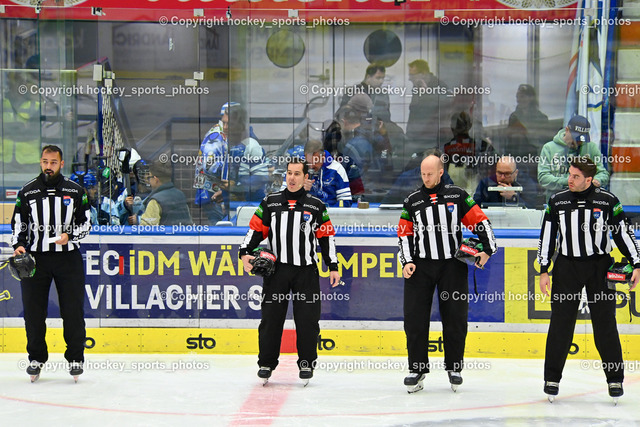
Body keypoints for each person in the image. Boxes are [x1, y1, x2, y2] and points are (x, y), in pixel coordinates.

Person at [537, 156, 640, 402]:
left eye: (576, 176)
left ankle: (615, 379)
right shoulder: (557, 201)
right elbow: (547, 236)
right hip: (566, 268)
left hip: (599, 267)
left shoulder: (608, 201)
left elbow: (623, 234)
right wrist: (544, 269)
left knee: (605, 324)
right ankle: (552, 379)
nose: (570, 180)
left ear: (589, 179)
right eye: (569, 174)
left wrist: (637, 262)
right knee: (560, 325)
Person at [397, 152, 497, 393]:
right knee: (414, 319)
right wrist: (407, 261)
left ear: (441, 172)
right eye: (423, 174)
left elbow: (480, 221)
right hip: (420, 267)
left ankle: (454, 367)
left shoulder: (457, 195)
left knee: (455, 318)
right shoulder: (412, 201)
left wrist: (488, 249)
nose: (426, 178)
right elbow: (404, 234)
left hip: (452, 266)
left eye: (430, 173)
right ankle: (417, 368)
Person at [239, 158, 341, 383]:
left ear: (306, 178)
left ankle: (306, 364)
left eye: (297, 174)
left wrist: (333, 266)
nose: (292, 178)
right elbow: (255, 230)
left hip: (306, 273)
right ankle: (266, 363)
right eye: (289, 173)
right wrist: (244, 251)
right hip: (277, 272)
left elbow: (326, 237)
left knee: (307, 321)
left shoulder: (316, 205)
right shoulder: (271, 202)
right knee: (271, 320)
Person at [10, 145, 92, 381]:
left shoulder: (76, 190)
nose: (48, 166)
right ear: (40, 162)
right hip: (36, 259)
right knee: (33, 312)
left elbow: (86, 222)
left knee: (72, 311)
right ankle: (36, 359)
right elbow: (18, 224)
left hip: (68, 258)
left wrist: (70, 236)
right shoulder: (27, 191)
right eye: (45, 162)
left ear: (61, 164)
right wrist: (19, 245)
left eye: (53, 162)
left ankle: (75, 358)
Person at [538, 115, 609, 203]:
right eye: (575, 138)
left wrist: (597, 180)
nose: (578, 142)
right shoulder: (549, 148)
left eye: (581, 140)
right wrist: (569, 181)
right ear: (567, 130)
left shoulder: (591, 148)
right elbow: (543, 178)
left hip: (586, 201)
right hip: (557, 201)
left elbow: (603, 173)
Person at [404, 59, 451, 162]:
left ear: (423, 74)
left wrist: (426, 93)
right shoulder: (417, 87)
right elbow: (414, 112)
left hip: (431, 139)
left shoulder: (439, 86)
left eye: (412, 75)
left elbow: (447, 103)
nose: (409, 78)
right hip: (415, 138)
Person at [193, 102, 231, 224]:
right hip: (212, 192)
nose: (226, 126)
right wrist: (231, 170)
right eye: (224, 122)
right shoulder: (216, 136)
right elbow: (209, 165)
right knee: (221, 228)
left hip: (217, 191)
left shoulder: (227, 134)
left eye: (229, 123)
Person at [442, 111, 495, 196]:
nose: (460, 128)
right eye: (458, 125)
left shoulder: (480, 145)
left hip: (471, 186)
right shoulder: (447, 147)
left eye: (462, 125)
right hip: (454, 189)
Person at [130, 161, 193, 226]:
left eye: (149, 177)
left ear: (156, 179)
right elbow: (188, 223)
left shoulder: (155, 201)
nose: (148, 180)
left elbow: (146, 228)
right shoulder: (180, 195)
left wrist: (137, 221)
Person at [298, 139, 352, 207]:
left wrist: (326, 212)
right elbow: (286, 197)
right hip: (305, 211)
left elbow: (346, 200)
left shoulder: (337, 169)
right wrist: (300, 189)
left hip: (330, 211)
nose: (311, 166)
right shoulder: (297, 167)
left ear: (323, 157)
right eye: (309, 162)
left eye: (315, 161)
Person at [473, 155, 537, 208]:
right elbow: (475, 208)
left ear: (516, 173)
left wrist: (513, 197)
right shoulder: (486, 183)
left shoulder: (526, 184)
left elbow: (531, 209)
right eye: (499, 173)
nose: (502, 177)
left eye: (507, 174)